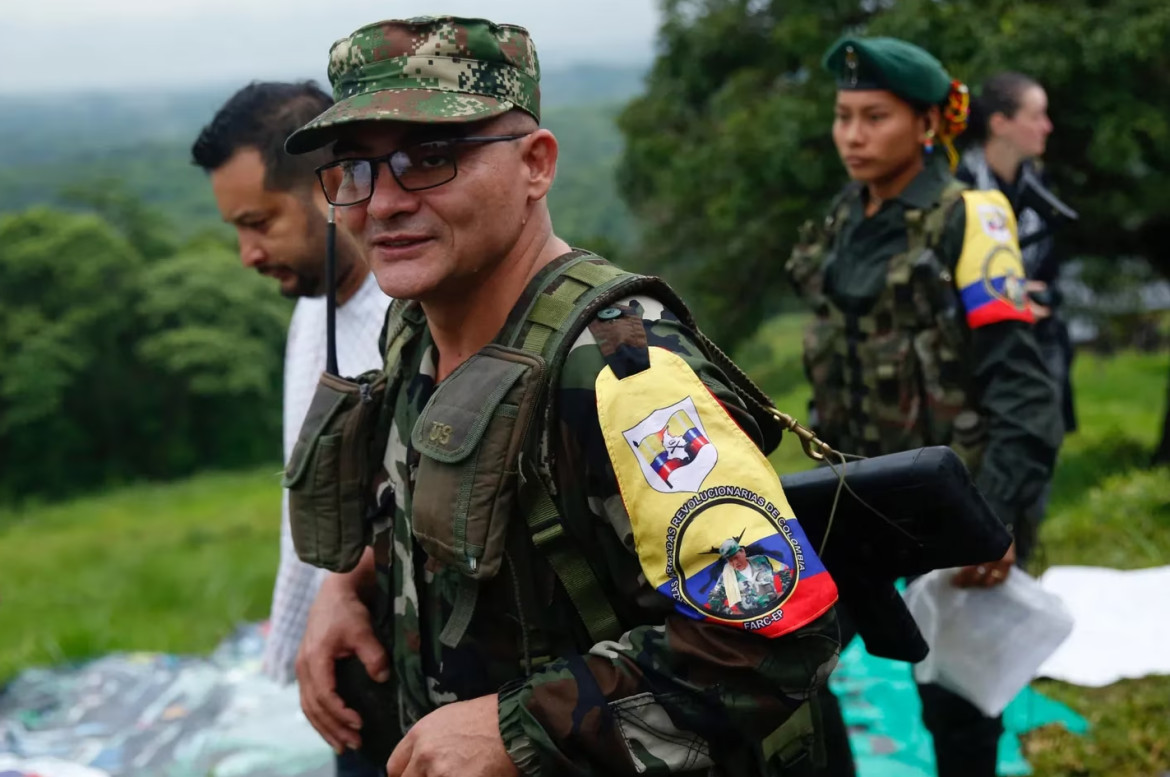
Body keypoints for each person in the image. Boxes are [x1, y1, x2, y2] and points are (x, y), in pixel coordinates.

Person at [283, 15, 843, 777]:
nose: (381, 203)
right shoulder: (413, 329)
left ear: (536, 164)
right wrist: (348, 588)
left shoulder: (622, 372)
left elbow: (774, 634)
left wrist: (519, 731)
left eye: (429, 159)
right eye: (356, 169)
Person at [786, 37, 1062, 777]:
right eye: (843, 116)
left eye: (875, 117)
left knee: (957, 702)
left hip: (953, 498)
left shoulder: (971, 219)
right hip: (856, 493)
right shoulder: (843, 220)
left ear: (928, 124)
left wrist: (994, 516)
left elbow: (1021, 386)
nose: (852, 135)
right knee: (792, 666)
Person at [191, 81, 391, 777]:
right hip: (350, 686)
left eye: (259, 223)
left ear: (330, 188)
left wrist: (347, 587)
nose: (247, 253)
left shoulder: (411, 315)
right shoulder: (314, 303)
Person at [958, 72, 1077, 542]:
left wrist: (1037, 297)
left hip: (1040, 347)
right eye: (1036, 115)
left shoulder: (1037, 184)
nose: (1047, 126)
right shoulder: (960, 189)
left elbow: (1053, 271)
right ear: (1001, 123)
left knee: (1035, 464)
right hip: (983, 359)